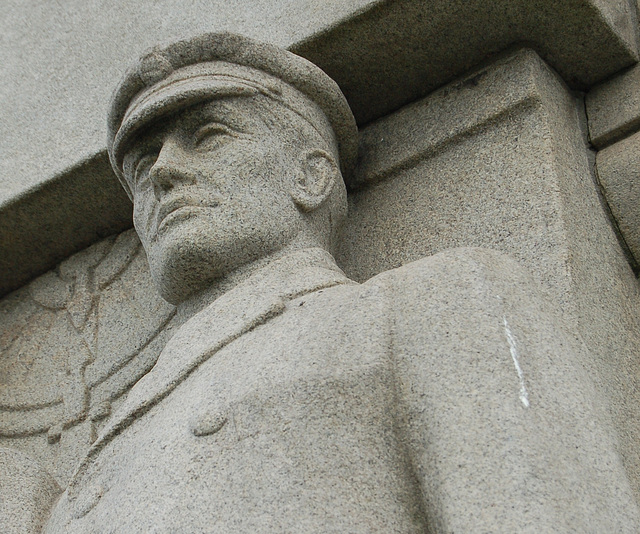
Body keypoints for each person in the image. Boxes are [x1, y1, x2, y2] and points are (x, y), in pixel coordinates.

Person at [44, 33, 640, 533]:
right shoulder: (97, 462)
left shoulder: (432, 301)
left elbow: (539, 511)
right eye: (144, 164)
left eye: (210, 137)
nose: (165, 173)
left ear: (310, 177)